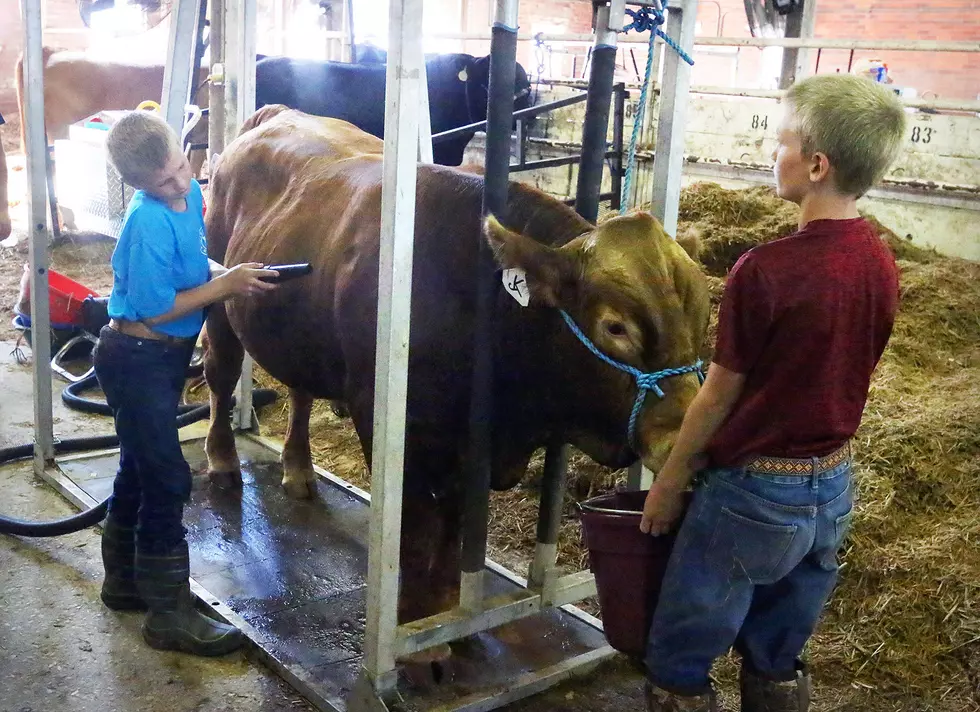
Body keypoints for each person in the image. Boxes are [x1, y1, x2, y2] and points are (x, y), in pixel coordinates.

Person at [638, 74, 907, 712]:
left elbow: (717, 397)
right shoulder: (880, 259)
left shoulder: (765, 270)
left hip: (751, 495)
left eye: (781, 142)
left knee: (679, 653)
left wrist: (670, 482)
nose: (773, 154)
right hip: (834, 485)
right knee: (779, 652)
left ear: (816, 164)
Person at [93, 109, 277, 657]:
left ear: (182, 149)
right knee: (169, 477)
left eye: (181, 169)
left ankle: (124, 582)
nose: (178, 185)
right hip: (137, 353)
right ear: (138, 186)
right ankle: (168, 614)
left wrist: (230, 271)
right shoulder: (145, 221)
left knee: (140, 467)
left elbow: (193, 262)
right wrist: (226, 287)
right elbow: (154, 308)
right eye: (163, 183)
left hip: (164, 356)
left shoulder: (191, 195)